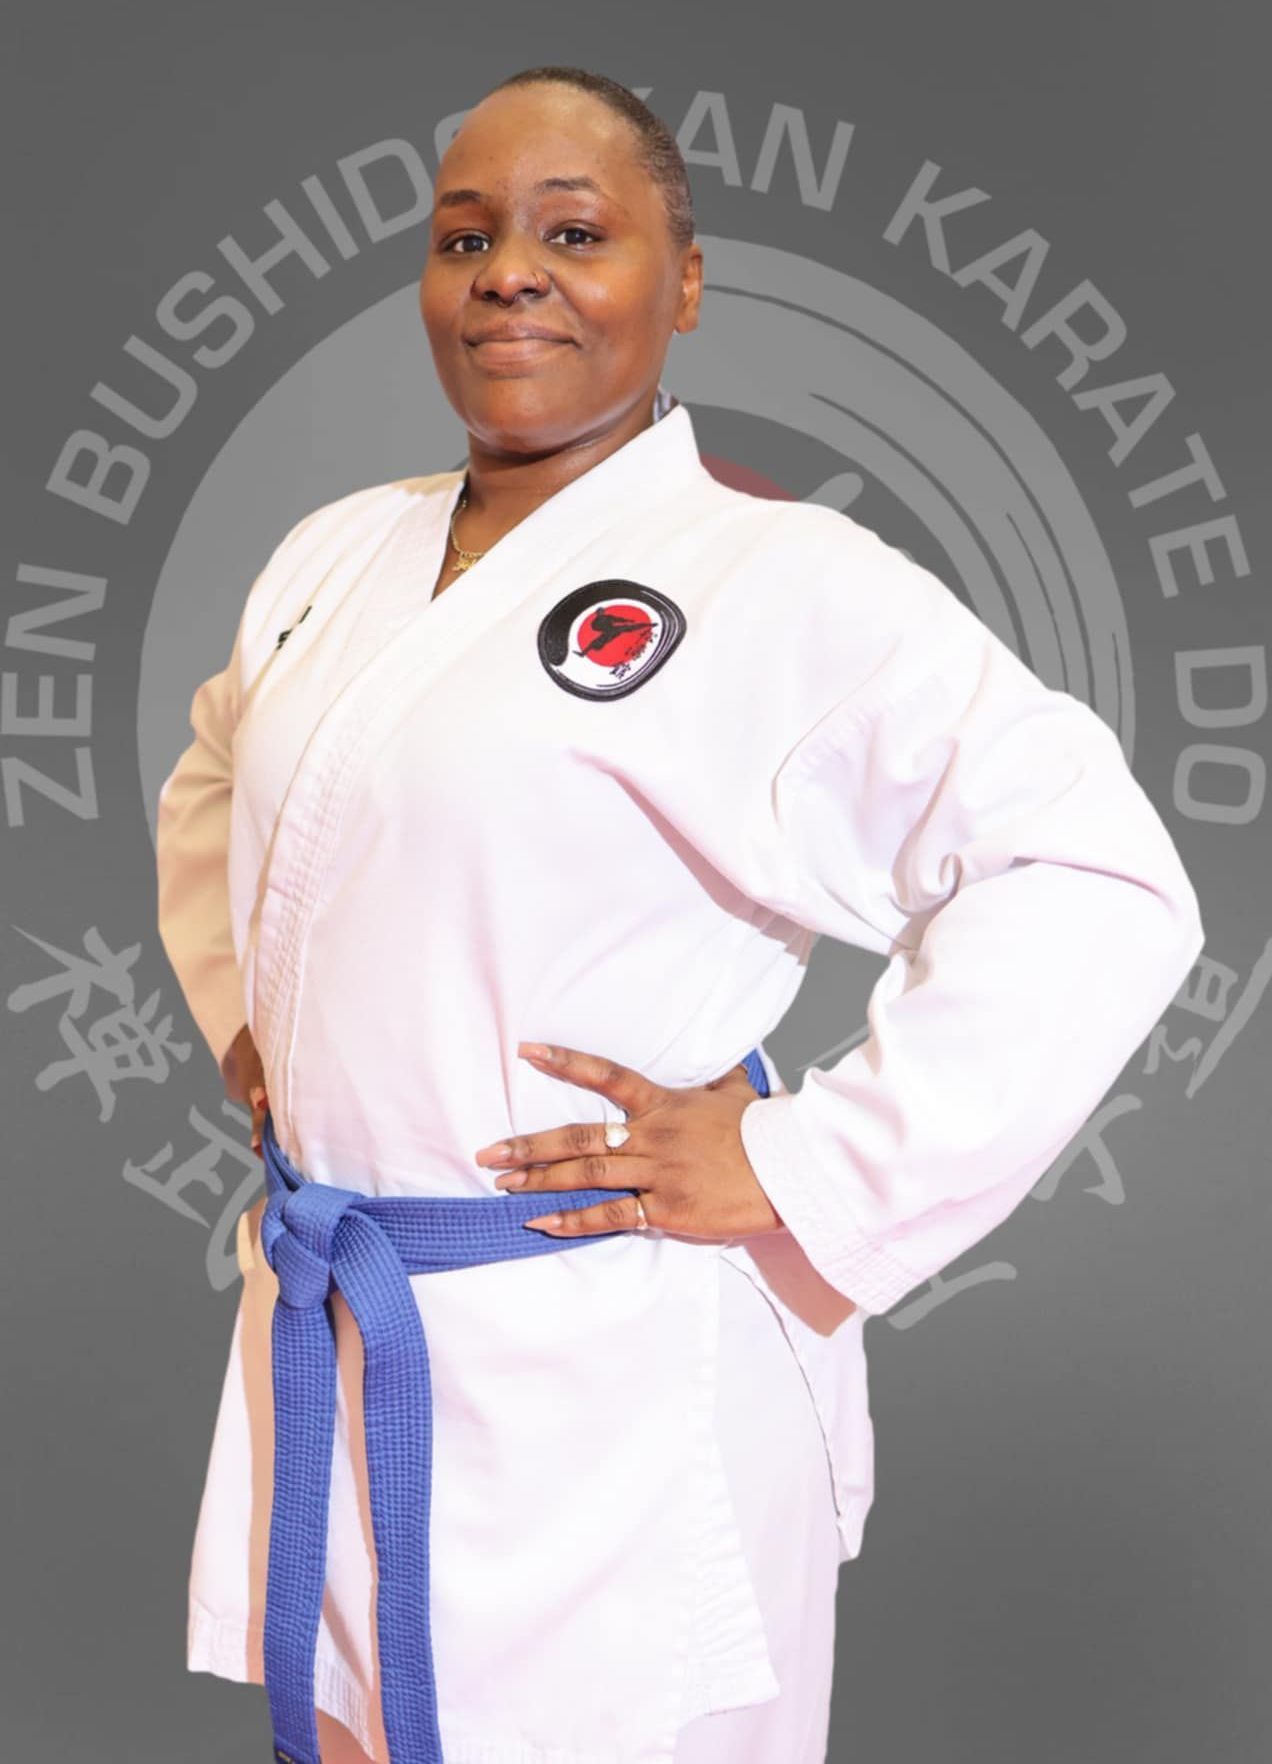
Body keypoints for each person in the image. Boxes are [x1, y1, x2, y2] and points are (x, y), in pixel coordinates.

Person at [155, 65, 1206, 1764]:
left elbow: (1091, 872)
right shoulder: (333, 556)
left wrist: (802, 1165)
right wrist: (256, 1016)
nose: (510, 269)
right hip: (352, 1325)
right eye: (465, 235)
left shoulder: (780, 584)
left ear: (686, 282)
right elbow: (227, 771)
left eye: (577, 230)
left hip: (611, 1378)